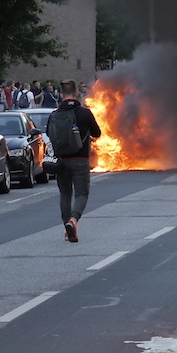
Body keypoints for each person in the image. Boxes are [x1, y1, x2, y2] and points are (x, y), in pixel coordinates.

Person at [45, 92, 102, 242]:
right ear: (76, 93)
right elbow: (97, 133)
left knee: (65, 194)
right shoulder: (84, 113)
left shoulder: (55, 115)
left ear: (61, 94)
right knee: (81, 194)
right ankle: (73, 221)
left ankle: (67, 229)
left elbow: (49, 134)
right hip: (81, 160)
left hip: (62, 160)